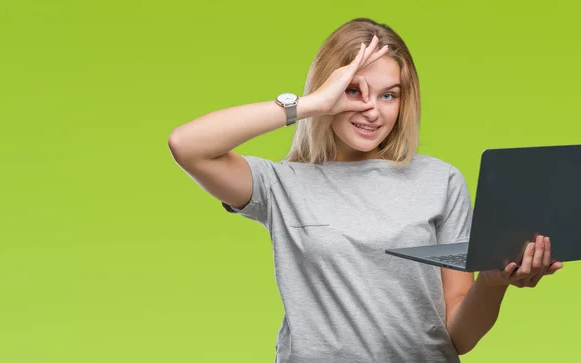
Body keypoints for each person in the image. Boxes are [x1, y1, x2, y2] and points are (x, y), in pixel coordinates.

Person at [168, 17, 563, 363]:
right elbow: (188, 145)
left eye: (389, 94)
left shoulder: (440, 181)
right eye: (354, 91)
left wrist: (494, 283)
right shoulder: (280, 183)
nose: (372, 110)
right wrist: (311, 104)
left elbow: (459, 337)